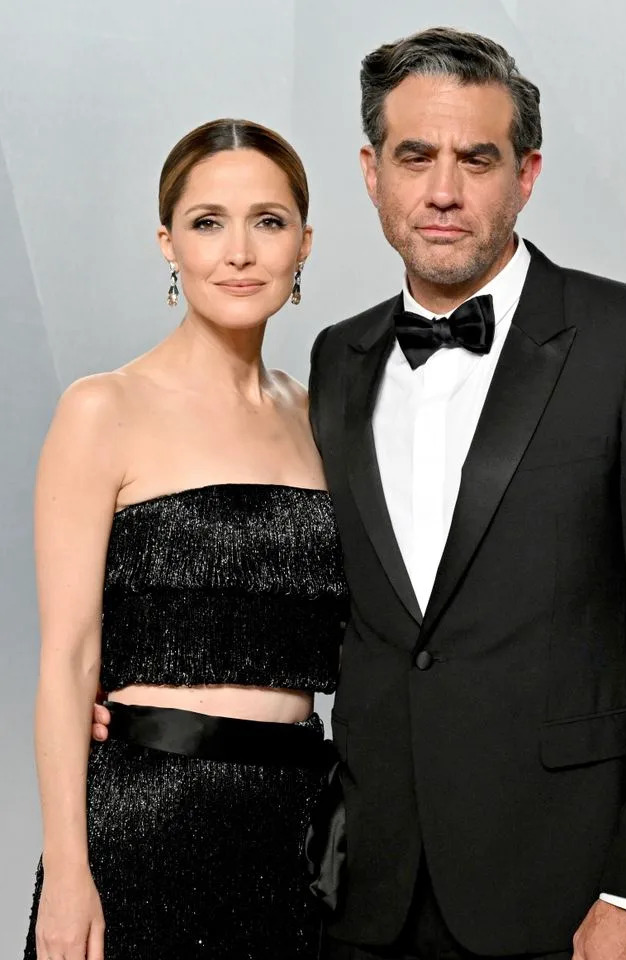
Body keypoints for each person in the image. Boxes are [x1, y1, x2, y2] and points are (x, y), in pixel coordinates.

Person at [306, 27, 626, 960]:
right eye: (415, 156)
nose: (445, 190)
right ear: (372, 172)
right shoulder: (337, 357)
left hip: (569, 893)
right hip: (365, 891)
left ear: (527, 173)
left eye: (478, 158)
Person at [24, 118, 347, 960]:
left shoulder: (322, 418)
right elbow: (66, 660)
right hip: (147, 821)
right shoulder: (103, 410)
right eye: (208, 222)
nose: (238, 251)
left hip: (299, 831)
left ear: (304, 244)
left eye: (268, 222)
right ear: (167, 243)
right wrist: (67, 869)